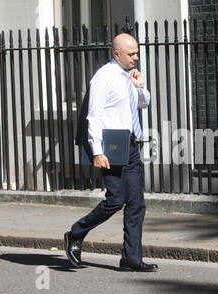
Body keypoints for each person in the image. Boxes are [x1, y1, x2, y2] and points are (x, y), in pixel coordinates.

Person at [64, 33, 158, 272]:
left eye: (136, 53)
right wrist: (96, 151)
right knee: (116, 200)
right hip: (111, 147)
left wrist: (139, 87)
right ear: (117, 54)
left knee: (137, 203)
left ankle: (131, 258)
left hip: (131, 143)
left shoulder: (128, 76)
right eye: (131, 54)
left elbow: (143, 103)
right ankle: (75, 233)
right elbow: (92, 116)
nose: (136, 58)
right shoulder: (103, 78)